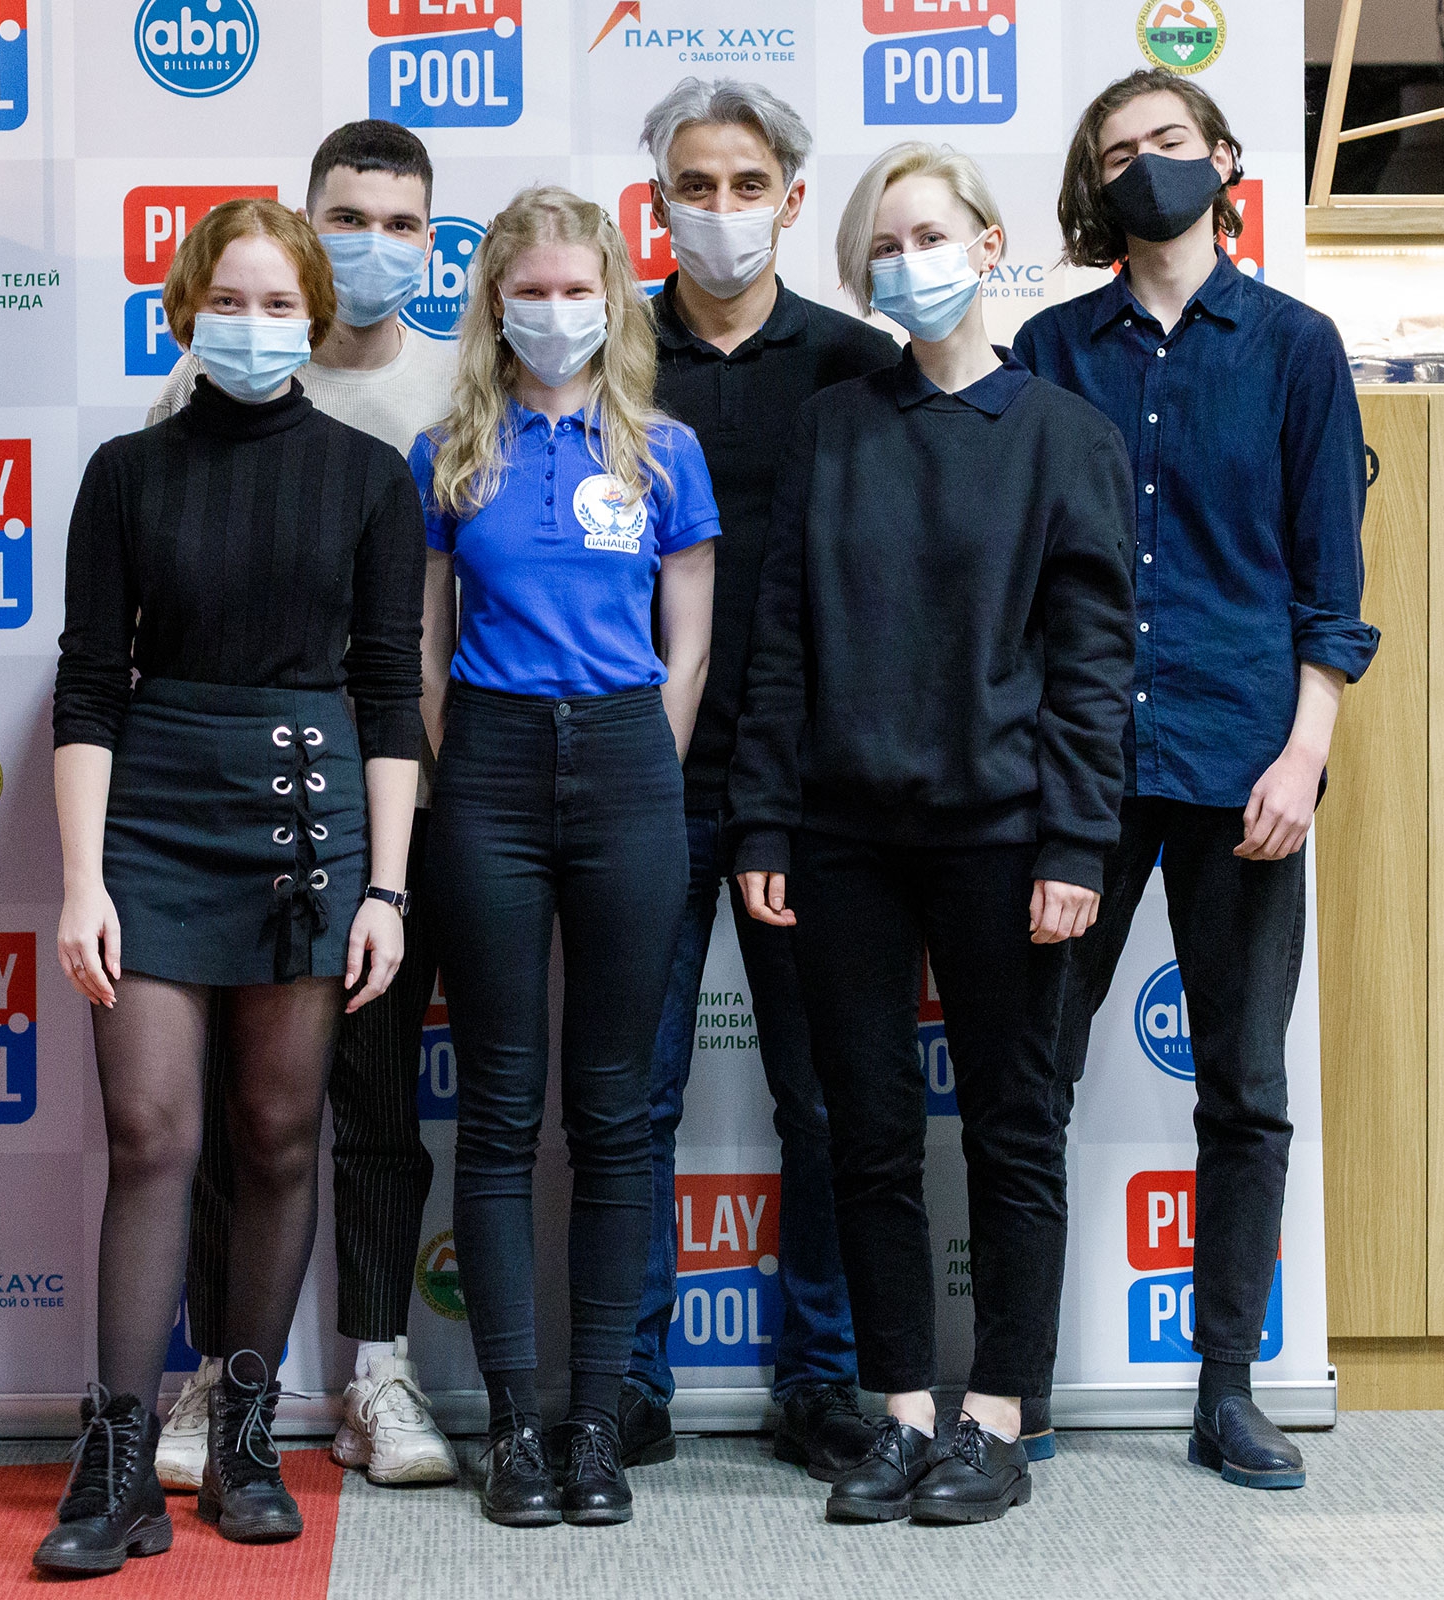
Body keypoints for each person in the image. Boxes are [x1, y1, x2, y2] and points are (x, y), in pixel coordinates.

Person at [729, 143, 1136, 1527]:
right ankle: (904, 1412)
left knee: (1016, 1131)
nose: (910, 262)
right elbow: (781, 638)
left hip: (1007, 840)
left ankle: (1001, 1418)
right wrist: (765, 816)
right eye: (885, 246)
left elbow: (1092, 668)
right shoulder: (833, 429)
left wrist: (1075, 845)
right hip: (841, 836)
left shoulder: (1066, 436)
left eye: (931, 234)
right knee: (867, 1134)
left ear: (989, 243)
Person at [37, 197, 425, 1574]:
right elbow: (90, 685)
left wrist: (387, 890)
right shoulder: (125, 474)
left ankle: (248, 1440)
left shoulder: (372, 478)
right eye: (229, 302)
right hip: (149, 823)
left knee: (275, 1136)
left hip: (306, 826)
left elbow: (391, 695)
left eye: (278, 305)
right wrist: (81, 881)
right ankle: (117, 1458)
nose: (253, 327)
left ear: (312, 321)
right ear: (183, 311)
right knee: (152, 1136)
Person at [1011, 69, 1376, 1493]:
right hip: (1083, 770)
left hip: (1245, 765)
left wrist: (1305, 752)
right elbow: (1023, 576)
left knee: (1245, 1086)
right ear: (1093, 187)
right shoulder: (1050, 349)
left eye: (1169, 142)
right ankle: (1013, 1391)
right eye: (1119, 153)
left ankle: (1229, 1392)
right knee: (1030, 1079)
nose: (1147, 166)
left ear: (1223, 161)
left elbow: (1329, 579)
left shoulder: (1296, 346)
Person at [145, 119, 460, 1495]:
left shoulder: (460, 386)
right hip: (228, 812)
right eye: (347, 217)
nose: (372, 244)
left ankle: (378, 1369)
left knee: (377, 1101)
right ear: (307, 222)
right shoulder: (198, 383)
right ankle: (225, 1376)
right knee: (240, 1115)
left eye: (400, 223)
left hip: (399, 801)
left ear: (432, 240)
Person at [413, 185, 719, 1528]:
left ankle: (595, 1422)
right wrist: (469, 755)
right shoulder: (447, 452)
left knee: (613, 1115)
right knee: (496, 1112)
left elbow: (688, 643)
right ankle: (515, 1431)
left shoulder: (665, 450)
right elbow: (426, 644)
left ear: (612, 299)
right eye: (527, 291)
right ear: (495, 304)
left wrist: (638, 756)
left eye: (574, 289)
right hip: (485, 767)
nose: (552, 311)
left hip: (628, 767)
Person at [615, 77, 900, 1478]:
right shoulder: (605, 350)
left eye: (745, 186)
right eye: (693, 185)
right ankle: (625, 1376)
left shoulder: (860, 363)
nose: (718, 210)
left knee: (830, 1099)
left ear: (790, 199)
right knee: (631, 1096)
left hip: (813, 792)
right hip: (641, 778)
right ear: (655, 199)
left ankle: (825, 1380)